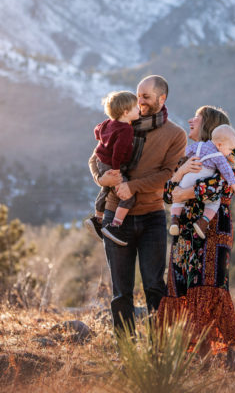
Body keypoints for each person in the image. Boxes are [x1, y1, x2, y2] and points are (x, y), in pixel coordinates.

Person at [88, 75, 186, 334]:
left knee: (155, 286)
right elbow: (94, 159)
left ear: (161, 99)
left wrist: (132, 186)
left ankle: (158, 352)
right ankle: (126, 353)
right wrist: (101, 177)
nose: (139, 101)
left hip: (152, 217)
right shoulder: (120, 123)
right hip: (114, 214)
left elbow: (168, 173)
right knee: (121, 291)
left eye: (145, 96)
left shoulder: (175, 134)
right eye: (137, 95)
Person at [159, 105, 235, 370]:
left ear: (209, 125)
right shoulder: (187, 155)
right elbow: (166, 195)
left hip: (212, 231)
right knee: (182, 288)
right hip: (184, 233)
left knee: (209, 286)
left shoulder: (224, 155)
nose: (190, 120)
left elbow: (221, 188)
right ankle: (198, 355)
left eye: (196, 118)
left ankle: (233, 353)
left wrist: (186, 192)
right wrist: (180, 175)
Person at [169, 124, 235, 238]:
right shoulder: (219, 155)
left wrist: (180, 169)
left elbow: (183, 153)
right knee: (213, 203)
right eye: (229, 149)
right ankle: (202, 222)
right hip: (202, 178)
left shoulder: (198, 146)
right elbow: (227, 172)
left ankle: (174, 220)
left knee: (178, 200)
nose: (229, 152)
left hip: (188, 176)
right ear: (220, 145)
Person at [89, 90, 141, 246]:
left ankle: (97, 219)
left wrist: (103, 139)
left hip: (101, 162)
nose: (139, 109)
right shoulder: (126, 129)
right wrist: (116, 169)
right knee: (127, 196)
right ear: (126, 112)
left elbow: (97, 130)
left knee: (105, 189)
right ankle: (115, 226)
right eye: (136, 107)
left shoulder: (107, 123)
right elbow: (118, 151)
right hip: (112, 165)